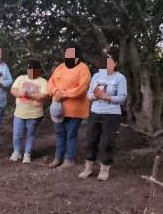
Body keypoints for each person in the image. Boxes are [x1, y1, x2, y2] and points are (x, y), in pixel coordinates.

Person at [79, 47, 127, 180]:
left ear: (115, 63)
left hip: (111, 115)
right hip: (95, 112)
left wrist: (106, 97)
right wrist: (94, 96)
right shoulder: (96, 76)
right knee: (91, 140)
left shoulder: (120, 78)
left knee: (106, 142)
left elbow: (122, 98)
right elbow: (89, 94)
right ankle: (88, 168)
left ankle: (104, 170)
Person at [47, 45, 91, 170]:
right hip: (58, 109)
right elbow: (50, 83)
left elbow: (81, 89)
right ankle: (58, 158)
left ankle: (69, 160)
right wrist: (55, 92)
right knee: (60, 134)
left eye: (71, 54)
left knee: (71, 134)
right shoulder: (60, 67)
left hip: (75, 110)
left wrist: (64, 94)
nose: (68, 56)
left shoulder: (83, 69)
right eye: (67, 53)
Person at [9, 59, 49, 163]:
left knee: (30, 134)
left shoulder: (43, 81)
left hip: (34, 114)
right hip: (19, 113)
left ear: (38, 70)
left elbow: (43, 96)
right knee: (17, 134)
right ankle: (16, 152)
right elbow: (13, 90)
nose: (30, 72)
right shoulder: (21, 78)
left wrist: (29, 95)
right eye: (29, 70)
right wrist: (21, 94)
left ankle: (27, 154)